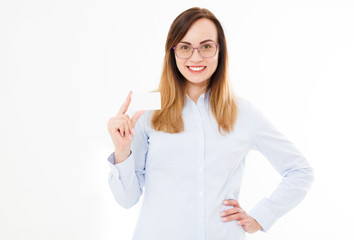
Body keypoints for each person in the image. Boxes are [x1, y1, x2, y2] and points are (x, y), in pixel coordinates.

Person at [106, 7, 314, 240]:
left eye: (206, 46)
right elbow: (127, 200)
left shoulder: (243, 112)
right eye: (185, 47)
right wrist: (122, 152)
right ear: (172, 52)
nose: (196, 57)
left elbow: (300, 171)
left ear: (219, 51)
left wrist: (261, 217)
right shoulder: (147, 107)